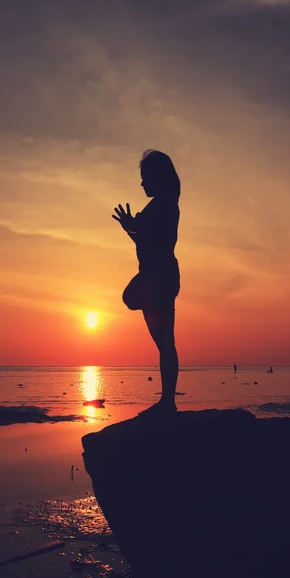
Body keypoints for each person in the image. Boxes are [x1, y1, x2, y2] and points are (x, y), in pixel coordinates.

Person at [112, 149, 180, 416]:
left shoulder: (164, 205)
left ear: (157, 176)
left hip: (159, 276)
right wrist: (131, 229)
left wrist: (134, 229)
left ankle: (167, 402)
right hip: (157, 276)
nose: (141, 183)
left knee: (164, 342)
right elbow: (145, 243)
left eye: (144, 177)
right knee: (164, 343)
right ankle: (167, 401)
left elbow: (156, 243)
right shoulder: (162, 204)